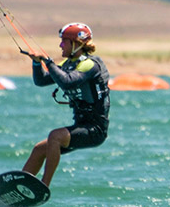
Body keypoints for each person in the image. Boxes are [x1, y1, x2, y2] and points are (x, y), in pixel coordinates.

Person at [23, 22, 110, 186]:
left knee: (55, 137)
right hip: (81, 126)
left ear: (76, 44)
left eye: (64, 41)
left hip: (95, 130)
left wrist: (48, 62)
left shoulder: (90, 64)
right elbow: (41, 80)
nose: (61, 45)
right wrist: (36, 62)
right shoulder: (69, 64)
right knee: (39, 149)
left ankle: (44, 185)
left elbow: (67, 82)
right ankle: (20, 185)